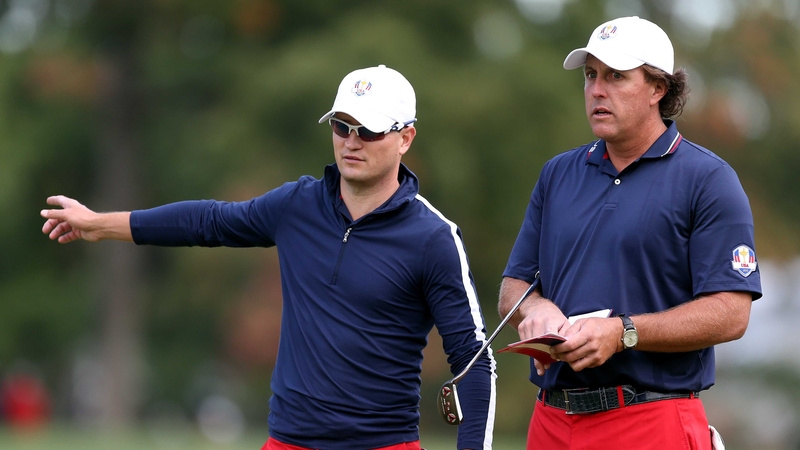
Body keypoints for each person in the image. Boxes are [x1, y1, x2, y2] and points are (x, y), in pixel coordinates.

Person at [41, 65, 495, 450]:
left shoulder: (433, 238)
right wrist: (98, 224)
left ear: (405, 138)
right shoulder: (297, 206)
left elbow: (473, 360)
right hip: (287, 442)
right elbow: (208, 223)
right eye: (342, 126)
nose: (351, 142)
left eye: (370, 130)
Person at [498, 16, 761, 450]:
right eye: (590, 76)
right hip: (551, 419)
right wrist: (536, 310)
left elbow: (732, 312)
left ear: (659, 88)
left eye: (616, 76)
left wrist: (624, 332)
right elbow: (515, 287)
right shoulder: (558, 174)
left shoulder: (708, 178)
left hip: (651, 418)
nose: (597, 90)